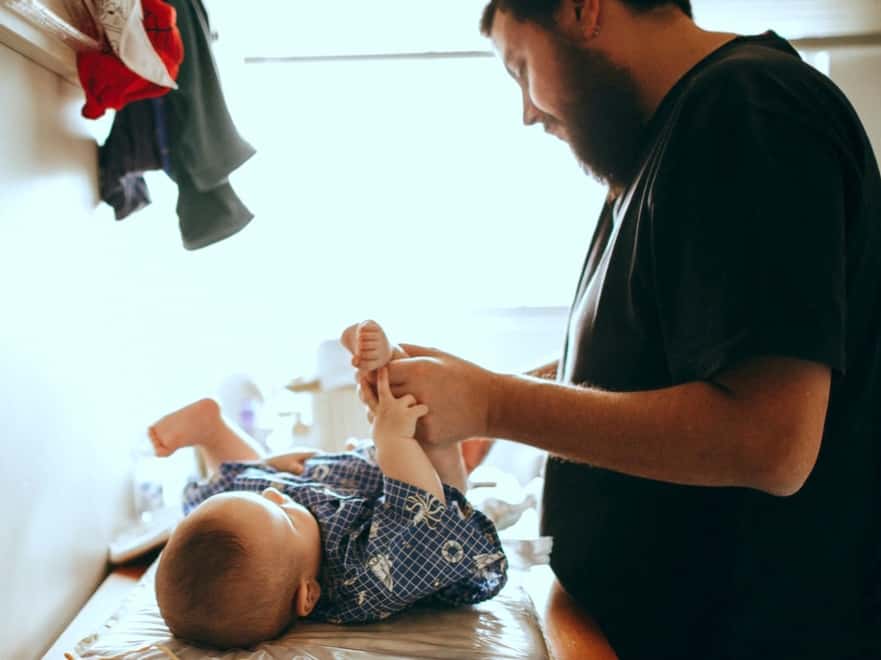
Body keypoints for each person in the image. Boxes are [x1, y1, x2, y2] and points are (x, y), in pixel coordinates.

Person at [354, 1, 881, 658]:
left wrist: (493, 401)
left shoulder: (747, 106)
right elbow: (654, 355)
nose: (527, 111)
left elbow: (768, 443)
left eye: (521, 68)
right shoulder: (669, 139)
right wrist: (480, 397)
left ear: (582, 9)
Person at [151, 321, 507, 649]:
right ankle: (393, 377)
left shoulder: (282, 543)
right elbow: (421, 512)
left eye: (268, 496)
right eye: (283, 513)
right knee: (439, 458)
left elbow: (263, 503)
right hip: (417, 492)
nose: (276, 495)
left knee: (225, 504)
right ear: (308, 595)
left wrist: (270, 469)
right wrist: (393, 438)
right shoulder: (360, 578)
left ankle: (213, 432)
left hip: (340, 484)